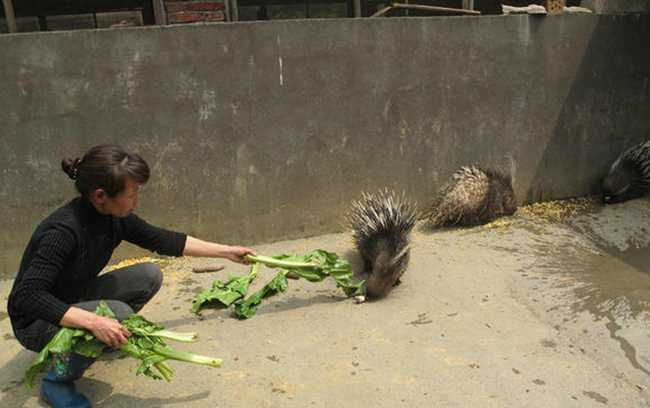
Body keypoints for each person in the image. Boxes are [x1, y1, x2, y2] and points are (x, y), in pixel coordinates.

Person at [7, 144, 256, 408]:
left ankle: (95, 341)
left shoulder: (113, 216)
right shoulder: (62, 231)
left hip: (71, 297)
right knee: (115, 313)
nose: (136, 200)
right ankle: (57, 380)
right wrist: (94, 321)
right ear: (100, 195)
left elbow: (163, 239)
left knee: (148, 275)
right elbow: (27, 296)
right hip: (35, 322)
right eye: (132, 193)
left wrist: (227, 251)